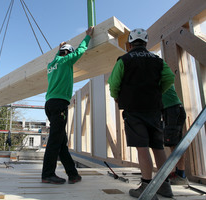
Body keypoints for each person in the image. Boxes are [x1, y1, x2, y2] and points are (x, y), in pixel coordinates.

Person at [108, 28, 175, 199]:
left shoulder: (124, 60)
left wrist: (117, 97)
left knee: (142, 147)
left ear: (130, 44)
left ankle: (146, 186)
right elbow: (169, 78)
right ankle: (164, 186)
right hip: (153, 109)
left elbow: (113, 83)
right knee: (158, 147)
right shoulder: (157, 60)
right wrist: (158, 91)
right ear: (145, 43)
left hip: (134, 109)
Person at [42, 26, 94, 184]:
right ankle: (47, 174)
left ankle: (73, 174)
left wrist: (60, 50)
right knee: (54, 141)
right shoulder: (66, 60)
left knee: (60, 141)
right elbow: (79, 51)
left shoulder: (51, 65)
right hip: (59, 105)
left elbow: (59, 56)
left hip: (50, 104)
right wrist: (88, 37)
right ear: (68, 53)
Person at [162, 84, 188, 185]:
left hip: (172, 110)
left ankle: (181, 176)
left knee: (174, 143)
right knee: (174, 143)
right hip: (172, 110)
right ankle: (179, 172)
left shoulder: (156, 72)